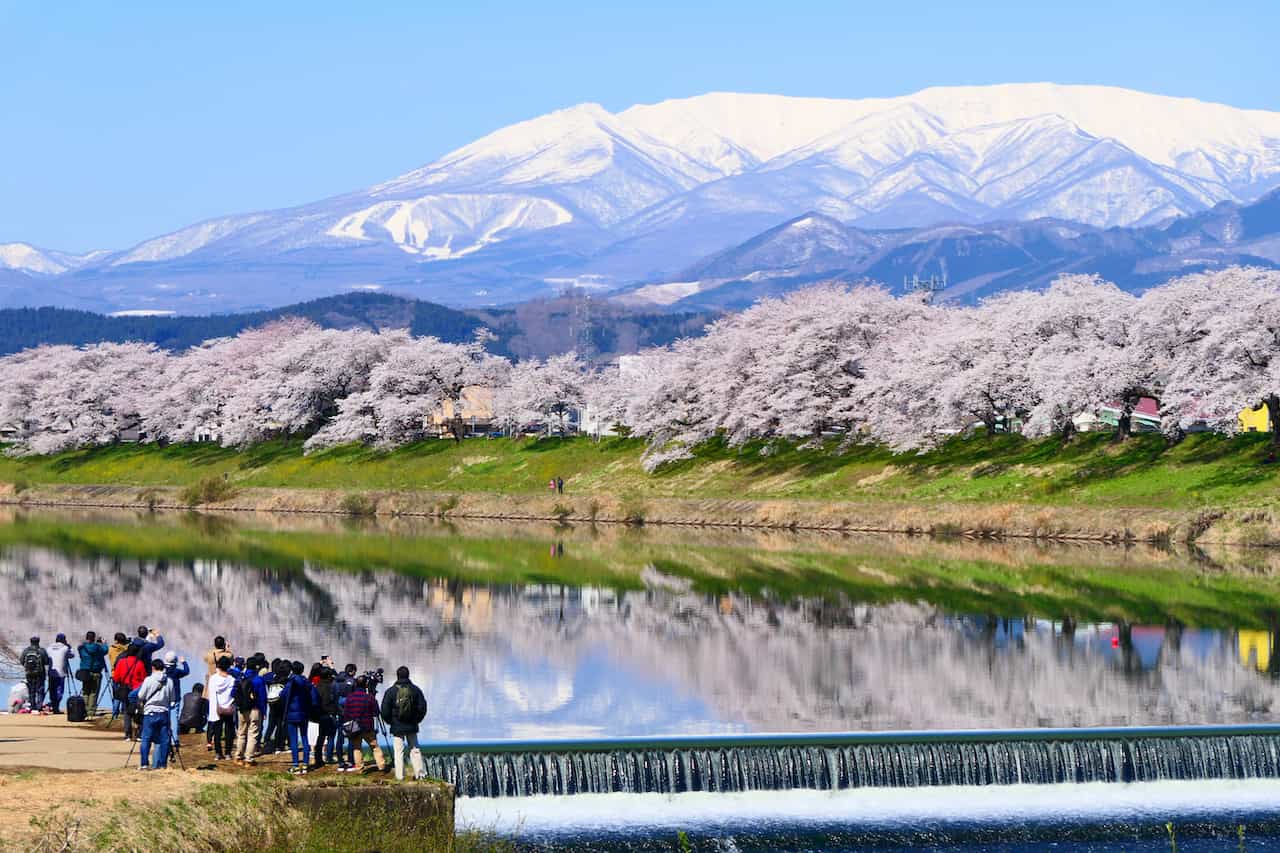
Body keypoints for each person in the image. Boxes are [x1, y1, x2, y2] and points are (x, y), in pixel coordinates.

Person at [380, 666, 429, 781]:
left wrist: (391, 722)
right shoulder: (415, 690)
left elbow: (385, 711)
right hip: (412, 725)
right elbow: (422, 708)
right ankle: (420, 774)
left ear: (397, 676)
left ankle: (399, 776)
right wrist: (417, 720)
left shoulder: (391, 691)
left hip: (397, 726)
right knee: (415, 750)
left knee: (399, 751)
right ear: (408, 675)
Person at [135, 659, 178, 770]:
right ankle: (163, 765)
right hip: (164, 713)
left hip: (150, 712)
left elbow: (140, 695)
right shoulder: (169, 681)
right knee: (164, 740)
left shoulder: (148, 680)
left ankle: (144, 764)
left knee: (146, 739)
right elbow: (173, 699)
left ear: (153, 668)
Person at [341, 676, 386, 774]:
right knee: (375, 747)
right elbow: (376, 713)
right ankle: (382, 766)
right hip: (367, 727)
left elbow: (346, 714)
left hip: (354, 727)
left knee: (357, 748)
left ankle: (359, 768)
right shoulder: (369, 697)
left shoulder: (350, 697)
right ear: (366, 685)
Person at [233, 654, 267, 767]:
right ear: (257, 667)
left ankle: (238, 757)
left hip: (242, 709)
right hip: (255, 709)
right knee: (253, 734)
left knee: (241, 733)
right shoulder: (259, 680)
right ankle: (248, 759)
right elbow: (262, 698)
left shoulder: (240, 677)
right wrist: (264, 711)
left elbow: (233, 693)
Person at [280, 660, 314, 774]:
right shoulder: (306, 682)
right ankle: (305, 764)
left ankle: (295, 765)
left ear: (292, 670)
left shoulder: (291, 682)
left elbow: (283, 695)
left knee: (293, 740)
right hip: (304, 714)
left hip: (291, 714)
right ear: (302, 670)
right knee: (305, 738)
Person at [111, 642, 148, 740]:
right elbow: (144, 679)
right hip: (137, 690)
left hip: (125, 689)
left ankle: (128, 734)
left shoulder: (121, 662)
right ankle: (139, 734)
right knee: (139, 711)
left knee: (127, 712)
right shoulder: (140, 663)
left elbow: (116, 678)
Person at [206, 656, 237, 761]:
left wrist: (213, 710)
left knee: (217, 732)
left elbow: (211, 695)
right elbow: (233, 694)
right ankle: (228, 753)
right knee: (229, 732)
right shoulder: (232, 679)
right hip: (229, 708)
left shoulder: (213, 679)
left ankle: (218, 753)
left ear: (218, 666)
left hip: (217, 709)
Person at [310, 666, 339, 770]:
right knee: (330, 735)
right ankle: (328, 757)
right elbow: (330, 701)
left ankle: (318, 758)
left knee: (321, 737)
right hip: (327, 714)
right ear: (328, 676)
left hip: (318, 714)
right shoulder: (329, 687)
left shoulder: (317, 686)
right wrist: (334, 712)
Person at [76, 631, 110, 718]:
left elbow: (81, 655)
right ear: (94, 638)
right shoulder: (98, 647)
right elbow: (105, 651)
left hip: (85, 672)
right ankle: (90, 712)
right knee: (93, 692)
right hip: (96, 672)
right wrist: (104, 643)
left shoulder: (82, 648)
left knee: (85, 691)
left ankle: (84, 709)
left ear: (86, 637)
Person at [333, 663, 358, 770]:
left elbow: (333, 696)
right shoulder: (353, 682)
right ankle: (351, 760)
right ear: (352, 671)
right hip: (350, 711)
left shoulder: (336, 681)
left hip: (339, 711)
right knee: (352, 736)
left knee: (340, 736)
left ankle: (340, 761)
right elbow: (356, 697)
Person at [19, 637, 51, 713]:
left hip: (29, 673)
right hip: (40, 673)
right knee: (40, 690)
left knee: (31, 690)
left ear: (30, 642)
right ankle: (39, 706)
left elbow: (21, 661)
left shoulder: (26, 651)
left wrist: (28, 667)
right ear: (38, 642)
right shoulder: (41, 650)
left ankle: (32, 706)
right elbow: (47, 662)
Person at [46, 633, 75, 714]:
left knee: (52, 690)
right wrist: (70, 647)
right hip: (61, 673)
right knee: (59, 690)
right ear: (64, 640)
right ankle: (56, 707)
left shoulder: (49, 648)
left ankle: (53, 705)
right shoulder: (65, 648)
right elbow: (72, 655)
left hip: (51, 672)